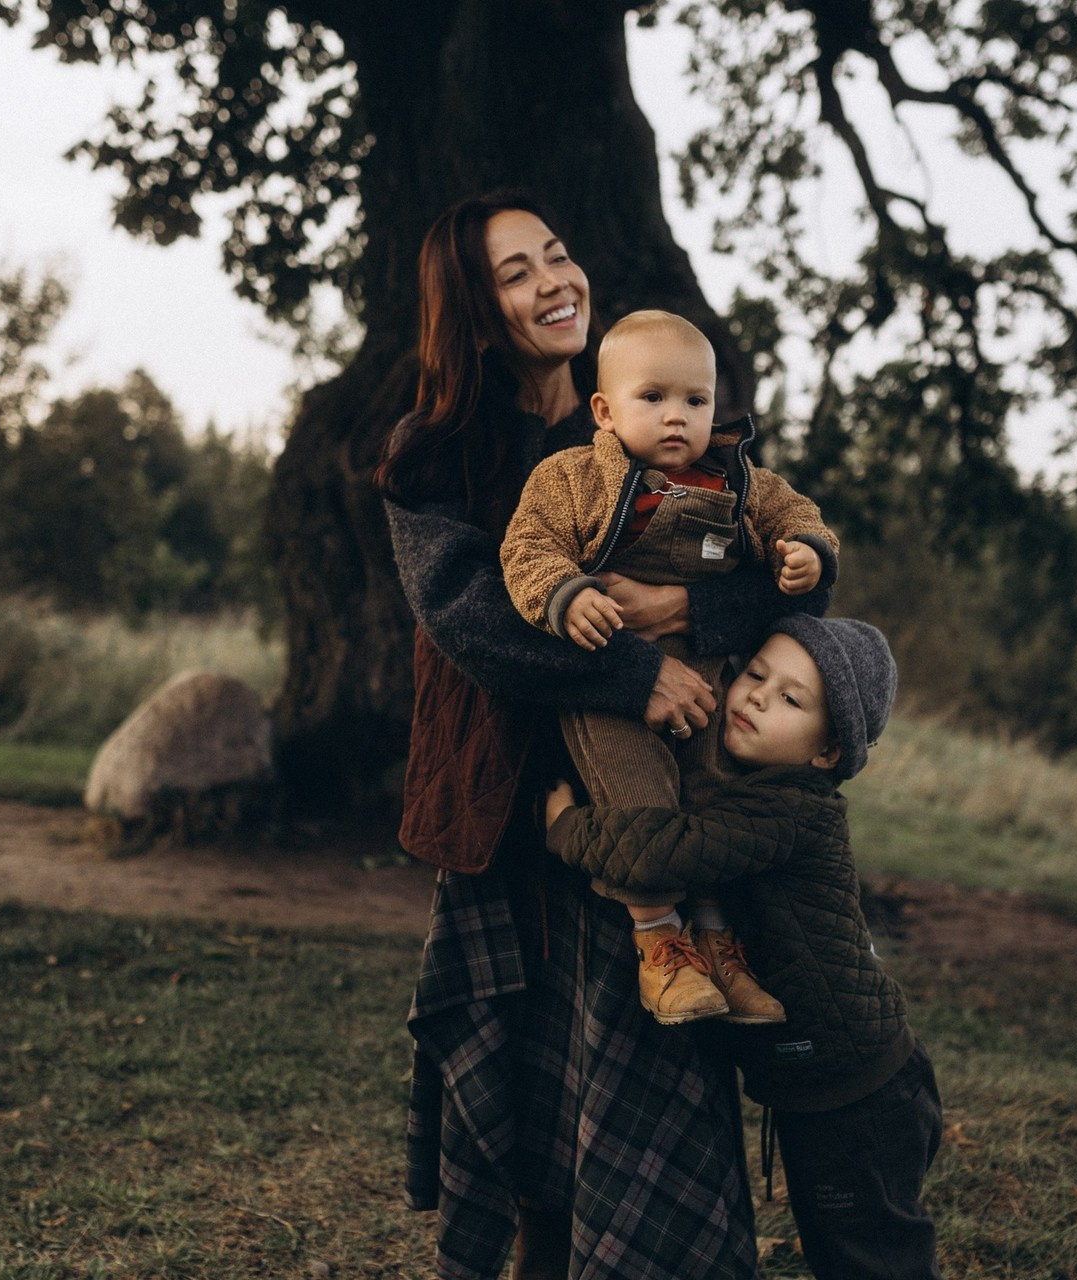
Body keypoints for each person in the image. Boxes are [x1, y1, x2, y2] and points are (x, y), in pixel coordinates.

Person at [376, 190, 829, 1280]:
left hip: (654, 801)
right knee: (529, 1102)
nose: (554, 281)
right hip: (512, 808)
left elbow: (772, 568)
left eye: (558, 254)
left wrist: (690, 619)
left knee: (643, 1076)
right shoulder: (435, 450)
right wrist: (636, 668)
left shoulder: (657, 413)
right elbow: (469, 617)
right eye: (516, 272)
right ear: (472, 310)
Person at [544, 617, 944, 1280]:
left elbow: (662, 854)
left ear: (827, 754)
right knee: (849, 1251)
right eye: (755, 674)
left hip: (857, 1100)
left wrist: (566, 827)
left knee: (869, 1260)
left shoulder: (789, 809)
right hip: (839, 1087)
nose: (756, 696)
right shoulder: (753, 794)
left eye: (791, 699)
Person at [500, 309, 840, 1026]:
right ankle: (660, 948)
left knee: (715, 794)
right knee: (640, 800)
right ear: (604, 409)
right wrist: (561, 595)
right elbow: (527, 546)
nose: (677, 417)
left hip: (713, 678)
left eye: (696, 399)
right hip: (611, 684)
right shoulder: (574, 478)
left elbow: (798, 514)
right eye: (652, 398)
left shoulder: (742, 483)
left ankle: (718, 944)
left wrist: (808, 550)